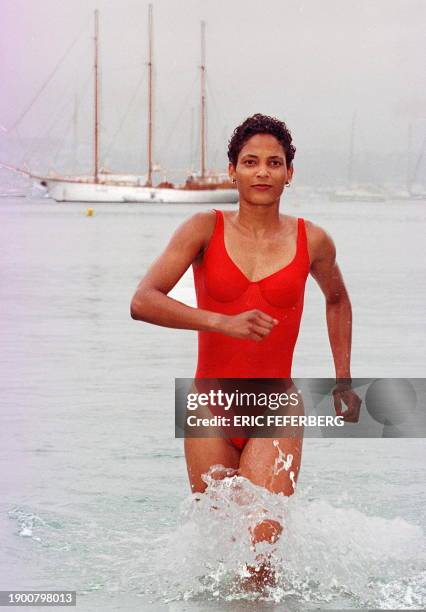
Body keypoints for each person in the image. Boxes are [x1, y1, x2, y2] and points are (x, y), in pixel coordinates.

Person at [130, 113, 360, 588]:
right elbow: (143, 300)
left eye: (274, 162)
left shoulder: (311, 240)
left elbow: (337, 299)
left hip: (274, 406)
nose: (262, 172)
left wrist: (343, 378)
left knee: (258, 559)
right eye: (250, 161)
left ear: (289, 173)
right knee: (221, 554)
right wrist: (219, 321)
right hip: (208, 408)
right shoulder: (202, 228)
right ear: (232, 170)